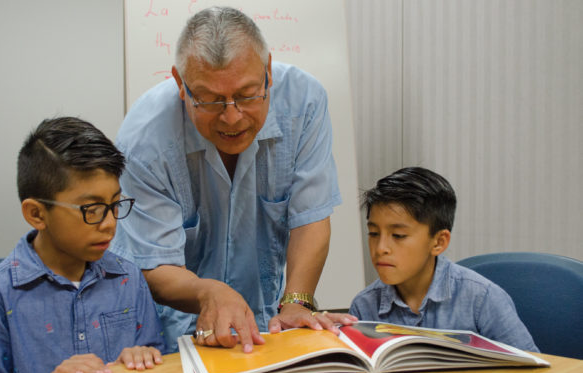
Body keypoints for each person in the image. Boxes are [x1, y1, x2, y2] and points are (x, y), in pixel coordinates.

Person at [111, 6, 356, 353]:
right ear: (181, 85)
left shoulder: (305, 103)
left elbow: (310, 217)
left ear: (268, 71)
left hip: (267, 326)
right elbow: (153, 263)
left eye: (246, 95)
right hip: (174, 331)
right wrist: (209, 292)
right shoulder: (144, 140)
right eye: (210, 100)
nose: (232, 117)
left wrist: (296, 301)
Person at [0, 117, 165, 373]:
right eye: (93, 209)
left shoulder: (128, 278)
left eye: (115, 204)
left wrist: (144, 357)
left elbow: (155, 354)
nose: (110, 224)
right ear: (37, 214)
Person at [349, 167, 538, 351]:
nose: (380, 248)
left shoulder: (481, 299)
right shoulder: (364, 306)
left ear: (439, 242)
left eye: (398, 235)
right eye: (373, 233)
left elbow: (537, 369)